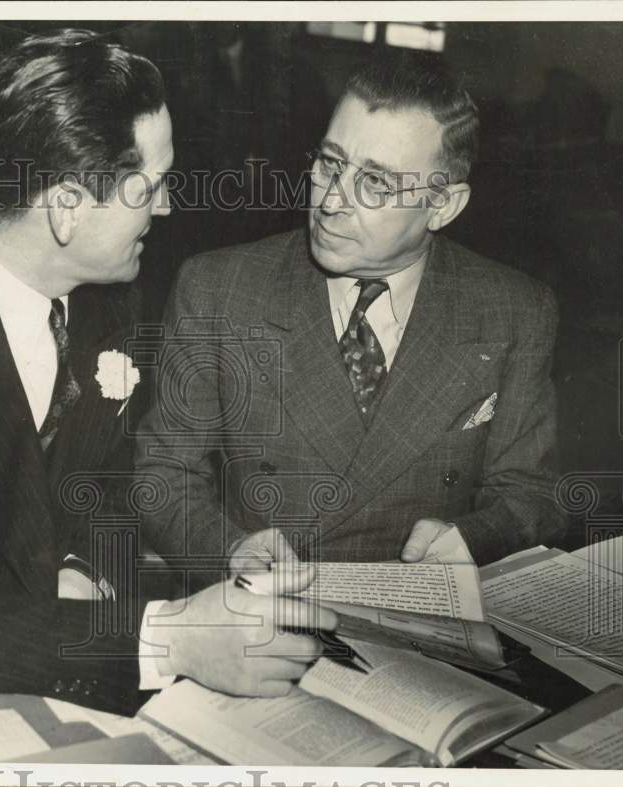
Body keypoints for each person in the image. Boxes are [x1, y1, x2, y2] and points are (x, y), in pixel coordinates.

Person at [0, 30, 335, 715]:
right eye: (151, 188)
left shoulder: (106, 296)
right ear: (67, 207)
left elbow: (101, 485)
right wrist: (166, 638)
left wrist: (79, 568)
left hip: (42, 670)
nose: (166, 208)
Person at [133, 51, 566, 578]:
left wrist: (474, 536)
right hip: (260, 611)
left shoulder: (514, 312)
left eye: (377, 184)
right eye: (331, 164)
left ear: (444, 206)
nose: (333, 200)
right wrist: (229, 550)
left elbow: (532, 494)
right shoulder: (220, 290)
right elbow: (163, 475)